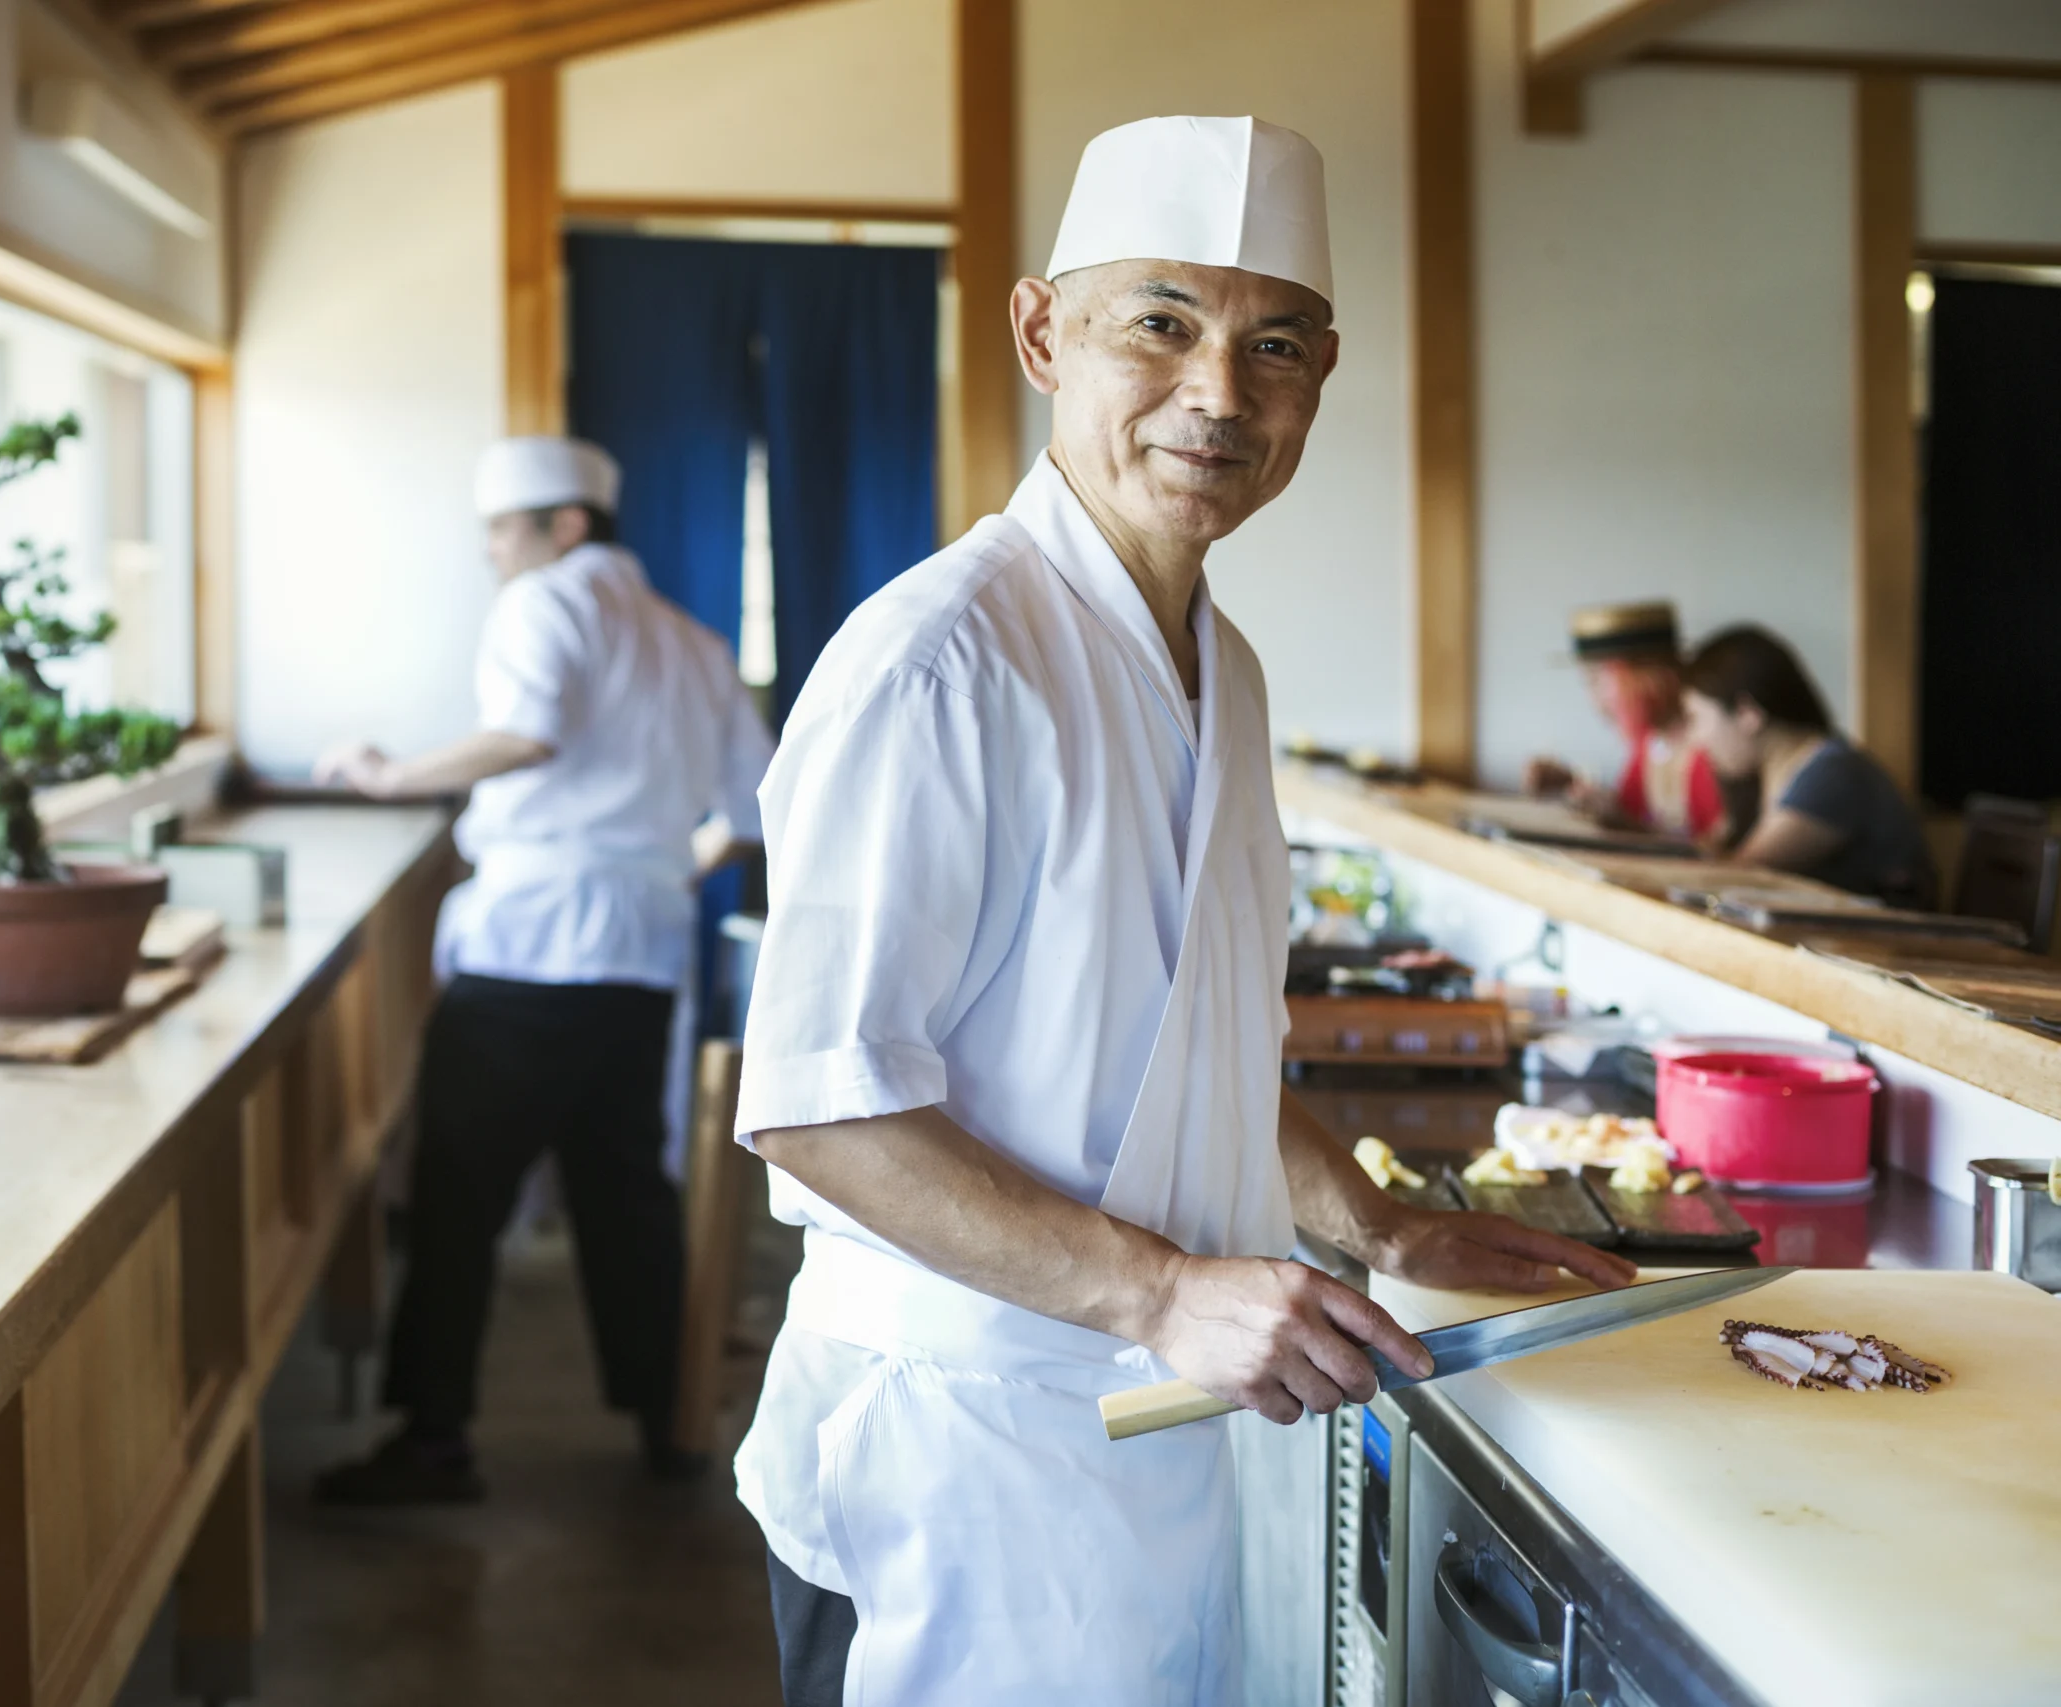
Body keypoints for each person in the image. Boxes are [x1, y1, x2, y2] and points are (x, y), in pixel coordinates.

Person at [728, 116, 1635, 1706]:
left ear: (1323, 374)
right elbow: (819, 1110)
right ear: (1039, 332)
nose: (1220, 392)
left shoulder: (1227, 664)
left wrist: (1381, 1220)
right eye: (1160, 322)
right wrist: (1159, 1288)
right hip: (962, 1444)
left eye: (1271, 343)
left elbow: (1194, 1040)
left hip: (1148, 1430)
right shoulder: (943, 658)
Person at [311, 435, 774, 1502]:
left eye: (502, 531)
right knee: (625, 1192)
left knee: (457, 1193)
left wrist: (390, 777)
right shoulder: (692, 642)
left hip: (532, 949)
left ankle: (433, 1442)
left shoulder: (548, 602)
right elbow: (751, 810)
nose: (490, 553)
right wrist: (654, 866)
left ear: (565, 528)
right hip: (640, 952)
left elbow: (523, 734)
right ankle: (667, 1425)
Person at [1681, 624, 1937, 909]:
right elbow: (1710, 849)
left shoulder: (1832, 773)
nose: (1696, 739)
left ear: (1747, 713)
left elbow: (1742, 873)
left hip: (1887, 946)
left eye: (1696, 719)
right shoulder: (1768, 773)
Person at [1523, 600, 1723, 837]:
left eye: (1596, 680)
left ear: (1651, 677)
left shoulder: (1718, 747)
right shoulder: (1650, 746)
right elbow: (1640, 820)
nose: (1595, 701)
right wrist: (1570, 783)